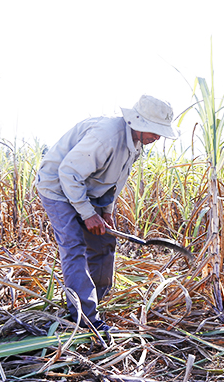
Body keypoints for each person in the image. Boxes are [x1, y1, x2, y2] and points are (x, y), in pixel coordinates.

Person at [36, 95, 178, 331]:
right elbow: (68, 173)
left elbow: (115, 181)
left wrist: (106, 211)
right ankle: (85, 318)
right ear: (138, 123)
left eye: (159, 131)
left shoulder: (136, 143)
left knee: (104, 241)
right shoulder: (107, 137)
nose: (157, 136)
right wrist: (87, 214)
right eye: (154, 130)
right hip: (58, 187)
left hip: (89, 190)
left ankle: (94, 298)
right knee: (73, 246)